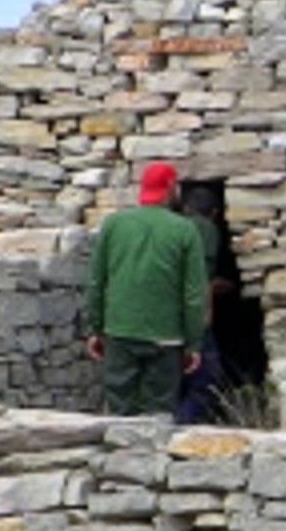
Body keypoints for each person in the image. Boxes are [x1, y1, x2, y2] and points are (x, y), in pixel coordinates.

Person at [84, 160, 205, 416]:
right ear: (170, 187)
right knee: (159, 411)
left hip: (119, 331)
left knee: (119, 410)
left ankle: (119, 442)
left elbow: (96, 281)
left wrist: (96, 327)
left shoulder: (113, 224)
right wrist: (193, 343)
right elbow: (194, 294)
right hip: (166, 337)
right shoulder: (185, 230)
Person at [174, 177, 235, 423]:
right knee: (206, 379)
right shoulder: (206, 229)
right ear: (216, 212)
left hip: (163, 315)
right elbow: (200, 277)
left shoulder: (174, 227)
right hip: (194, 314)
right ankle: (183, 424)